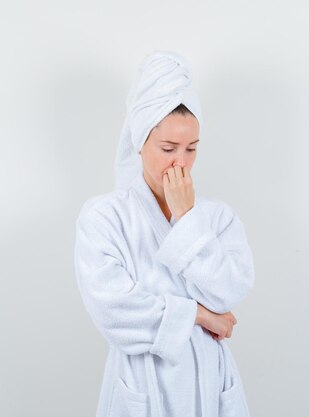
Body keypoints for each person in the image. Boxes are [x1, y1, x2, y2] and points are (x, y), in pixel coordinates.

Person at [74, 51, 255, 417]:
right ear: (139, 143)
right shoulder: (104, 217)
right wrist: (200, 316)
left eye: (192, 149)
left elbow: (233, 289)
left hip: (210, 382)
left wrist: (187, 217)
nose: (181, 163)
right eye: (168, 148)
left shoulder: (217, 218)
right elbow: (114, 312)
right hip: (142, 385)